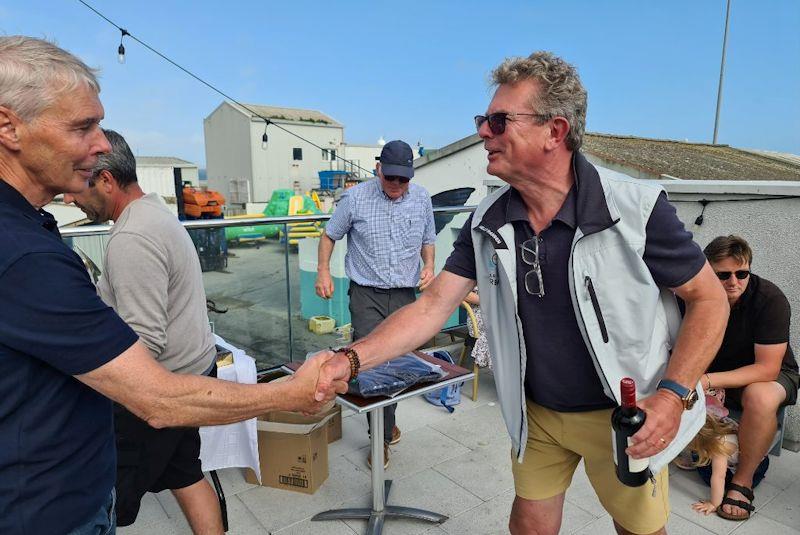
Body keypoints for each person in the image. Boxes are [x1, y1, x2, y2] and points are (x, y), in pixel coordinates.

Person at [314, 51, 730, 535]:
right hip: (538, 415)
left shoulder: (634, 209)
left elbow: (709, 299)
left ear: (555, 131)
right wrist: (348, 360)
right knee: (528, 527)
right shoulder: (487, 221)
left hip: (620, 415)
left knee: (638, 531)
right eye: (482, 120)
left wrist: (673, 396)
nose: (483, 133)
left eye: (497, 120)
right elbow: (431, 307)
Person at [0, 35, 345, 535]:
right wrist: (291, 391)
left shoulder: (117, 236)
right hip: (57, 490)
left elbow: (149, 362)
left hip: (74, 483)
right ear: (8, 126)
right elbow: (155, 395)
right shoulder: (38, 248)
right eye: (83, 126)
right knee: (187, 474)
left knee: (179, 475)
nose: (100, 145)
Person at [63, 129, 223, 532]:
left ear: (106, 181)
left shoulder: (132, 237)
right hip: (193, 372)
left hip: (163, 389)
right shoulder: (154, 211)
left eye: (79, 183)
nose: (69, 197)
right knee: (186, 474)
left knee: (104, 500)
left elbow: (145, 340)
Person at [314, 139, 436, 468]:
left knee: (400, 363)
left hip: (404, 296)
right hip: (366, 295)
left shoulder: (422, 198)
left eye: (403, 179)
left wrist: (429, 266)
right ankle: (380, 440)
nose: (396, 185)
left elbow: (428, 239)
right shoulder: (355, 198)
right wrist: (323, 271)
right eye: (390, 177)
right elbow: (329, 235)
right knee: (372, 365)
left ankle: (386, 422)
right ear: (378, 168)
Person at [701, 235, 799, 521]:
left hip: (774, 374)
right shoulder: (697, 295)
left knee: (759, 394)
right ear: (708, 272)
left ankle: (742, 481)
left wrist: (708, 379)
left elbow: (767, 368)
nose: (734, 281)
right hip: (719, 372)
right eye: (724, 275)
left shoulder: (769, 299)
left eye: (741, 273)